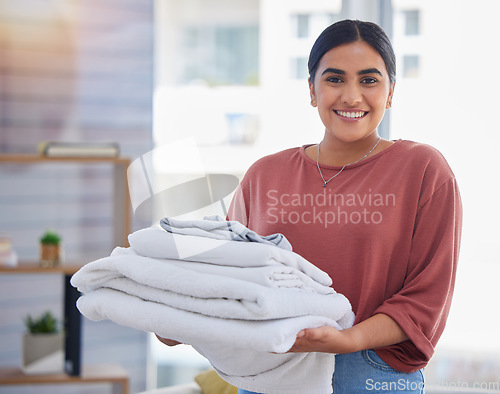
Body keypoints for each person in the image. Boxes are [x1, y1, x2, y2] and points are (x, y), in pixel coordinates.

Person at [158, 19, 462, 393]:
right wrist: (181, 319)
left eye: (369, 80)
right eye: (334, 79)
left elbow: (426, 298)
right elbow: (233, 277)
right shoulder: (264, 174)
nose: (352, 96)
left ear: (391, 90)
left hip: (369, 373)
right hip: (269, 371)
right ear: (312, 90)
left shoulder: (423, 168)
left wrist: (348, 339)